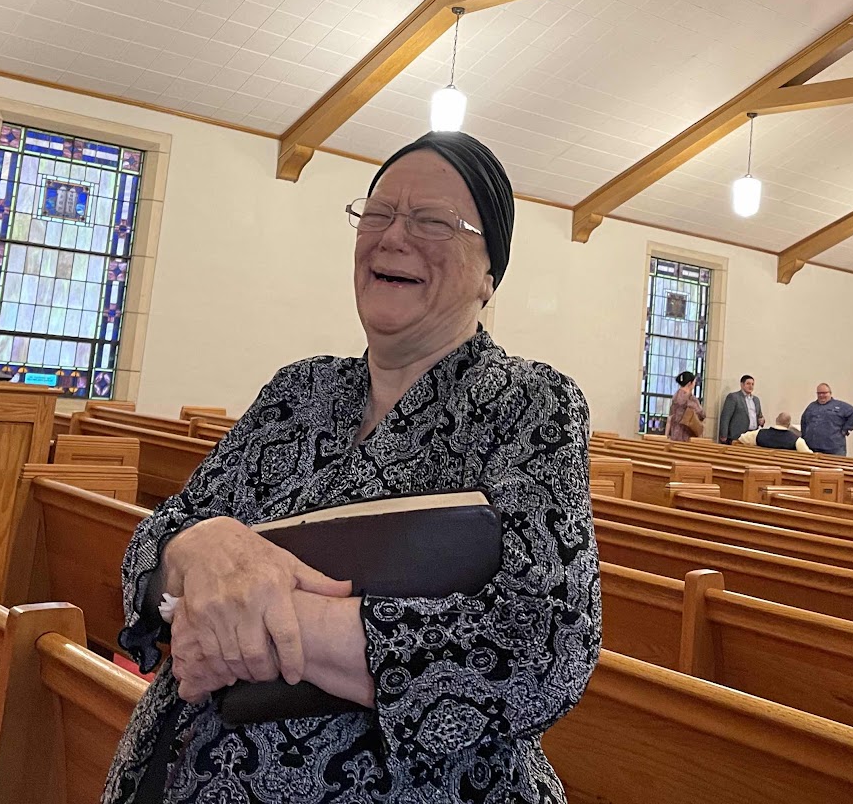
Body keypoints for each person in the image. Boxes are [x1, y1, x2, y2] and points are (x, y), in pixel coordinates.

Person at [103, 132, 600, 804]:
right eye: (378, 214)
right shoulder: (298, 390)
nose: (393, 237)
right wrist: (194, 549)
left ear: (490, 274)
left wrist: (258, 622)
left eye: (432, 221)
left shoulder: (527, 403)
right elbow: (159, 539)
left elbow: (545, 647)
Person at [800, 383, 853, 456]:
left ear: (830, 393)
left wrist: (845, 429)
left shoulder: (840, 406)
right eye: (819, 393)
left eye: (824, 393)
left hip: (833, 448)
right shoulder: (811, 406)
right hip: (812, 448)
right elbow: (804, 421)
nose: (821, 395)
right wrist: (805, 436)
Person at [718, 374, 762, 443]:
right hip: (737, 435)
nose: (751, 386)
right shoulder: (734, 397)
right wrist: (723, 434)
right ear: (742, 385)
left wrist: (761, 421)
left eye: (752, 384)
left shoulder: (756, 400)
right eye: (748, 384)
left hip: (752, 436)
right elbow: (726, 417)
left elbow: (759, 416)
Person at [740, 411, 810, 452]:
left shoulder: (758, 433)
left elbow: (741, 439)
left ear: (776, 420)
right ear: (789, 424)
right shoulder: (797, 441)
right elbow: (810, 456)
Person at [668, 370, 705, 441]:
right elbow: (701, 414)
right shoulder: (690, 398)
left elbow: (670, 416)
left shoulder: (675, 397)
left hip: (674, 434)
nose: (694, 384)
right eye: (694, 382)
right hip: (686, 436)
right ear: (689, 383)